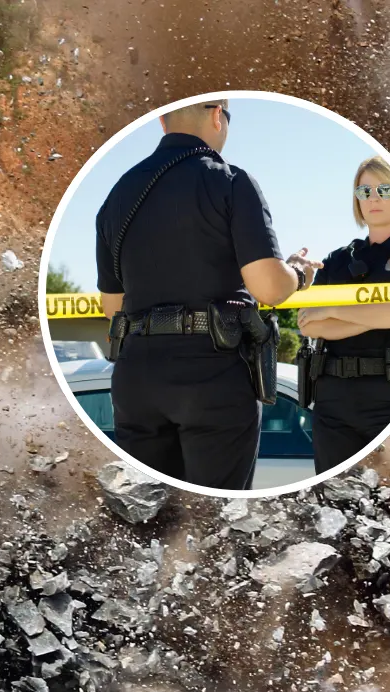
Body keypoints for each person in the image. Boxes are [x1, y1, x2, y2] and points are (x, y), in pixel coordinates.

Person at [96, 99, 317, 490]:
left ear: (163, 120)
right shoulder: (230, 181)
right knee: (216, 524)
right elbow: (267, 287)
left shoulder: (117, 196)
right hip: (212, 373)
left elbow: (112, 307)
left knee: (148, 521)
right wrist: (299, 273)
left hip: (137, 380)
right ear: (217, 115)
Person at [296, 155, 390, 473]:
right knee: (333, 508)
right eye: (364, 192)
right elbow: (308, 325)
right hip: (332, 401)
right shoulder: (336, 260)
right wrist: (372, 315)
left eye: (383, 190)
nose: (373, 199)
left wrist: (332, 310)